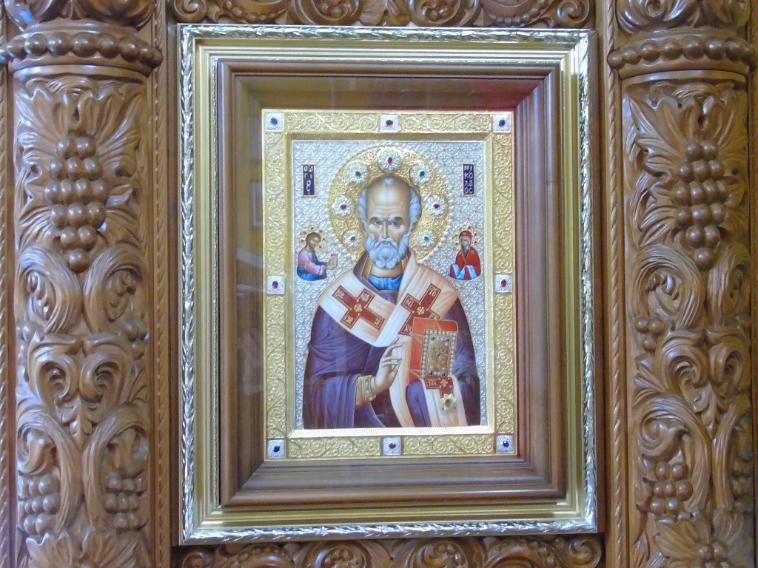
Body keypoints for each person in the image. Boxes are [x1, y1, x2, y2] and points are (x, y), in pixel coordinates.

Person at [304, 175, 480, 429]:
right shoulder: (339, 300)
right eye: (376, 222)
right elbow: (316, 397)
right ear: (363, 224)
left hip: (424, 444)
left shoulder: (437, 295)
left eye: (396, 222)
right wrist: (373, 385)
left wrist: (420, 395)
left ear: (412, 225)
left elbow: (466, 385)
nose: (385, 234)